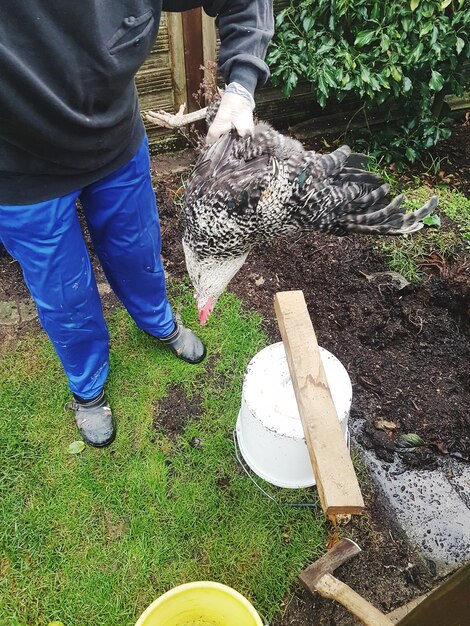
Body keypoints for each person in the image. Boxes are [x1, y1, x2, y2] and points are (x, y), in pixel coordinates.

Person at [0, 1, 274, 447]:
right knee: (61, 292)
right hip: (20, 170)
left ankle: (158, 322)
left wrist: (241, 88)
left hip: (115, 142)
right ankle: (87, 388)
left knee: (138, 250)